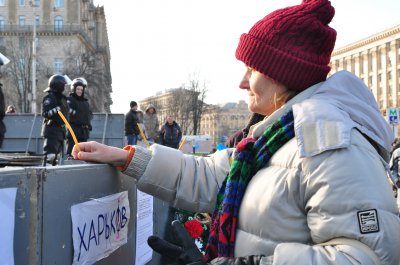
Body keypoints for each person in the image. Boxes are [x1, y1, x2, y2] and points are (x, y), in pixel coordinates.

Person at [72, 0, 400, 264]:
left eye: (252, 69)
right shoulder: (274, 139)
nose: (242, 82)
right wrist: (129, 158)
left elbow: (365, 255)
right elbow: (208, 175)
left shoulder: (329, 142)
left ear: (283, 74)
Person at [41, 74, 68, 165]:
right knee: (50, 155)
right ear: (58, 85)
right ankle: (47, 176)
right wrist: (56, 109)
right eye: (63, 85)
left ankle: (54, 176)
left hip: (61, 130)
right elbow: (45, 113)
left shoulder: (63, 99)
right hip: (52, 129)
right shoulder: (49, 97)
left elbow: (66, 114)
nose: (64, 87)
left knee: (57, 157)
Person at [66, 77, 93, 157]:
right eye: (78, 89)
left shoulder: (85, 102)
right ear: (74, 89)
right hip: (73, 129)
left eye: (81, 90)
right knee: (72, 152)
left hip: (83, 131)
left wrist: (88, 123)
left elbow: (88, 114)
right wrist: (72, 112)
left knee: (82, 153)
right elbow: (67, 111)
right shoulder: (70, 100)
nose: (79, 91)